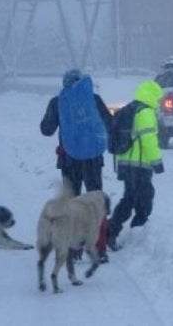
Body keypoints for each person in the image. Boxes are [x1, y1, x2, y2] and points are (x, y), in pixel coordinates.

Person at [40, 68, 113, 262]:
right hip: (93, 159)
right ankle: (99, 247)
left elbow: (46, 129)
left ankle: (73, 249)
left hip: (68, 159)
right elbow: (109, 122)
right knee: (96, 203)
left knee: (71, 203)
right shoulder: (93, 100)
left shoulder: (58, 102)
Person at [107, 80, 164, 251]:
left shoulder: (131, 108)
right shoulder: (145, 112)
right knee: (144, 198)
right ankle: (134, 234)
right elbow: (148, 140)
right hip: (139, 165)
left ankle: (116, 231)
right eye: (158, 97)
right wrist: (157, 162)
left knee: (130, 198)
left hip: (126, 163)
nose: (159, 101)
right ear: (152, 95)